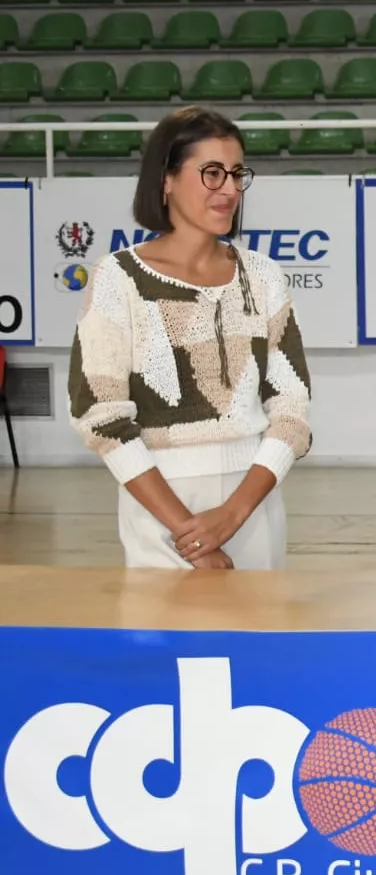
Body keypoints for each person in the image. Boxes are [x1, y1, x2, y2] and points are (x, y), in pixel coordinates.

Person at [68, 106, 312, 570]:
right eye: (212, 173)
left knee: (257, 641)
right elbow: (100, 418)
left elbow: (292, 410)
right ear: (166, 179)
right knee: (170, 642)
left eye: (237, 174)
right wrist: (190, 534)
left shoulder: (263, 276)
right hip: (158, 507)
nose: (229, 189)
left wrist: (234, 513)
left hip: (254, 505)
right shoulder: (116, 277)